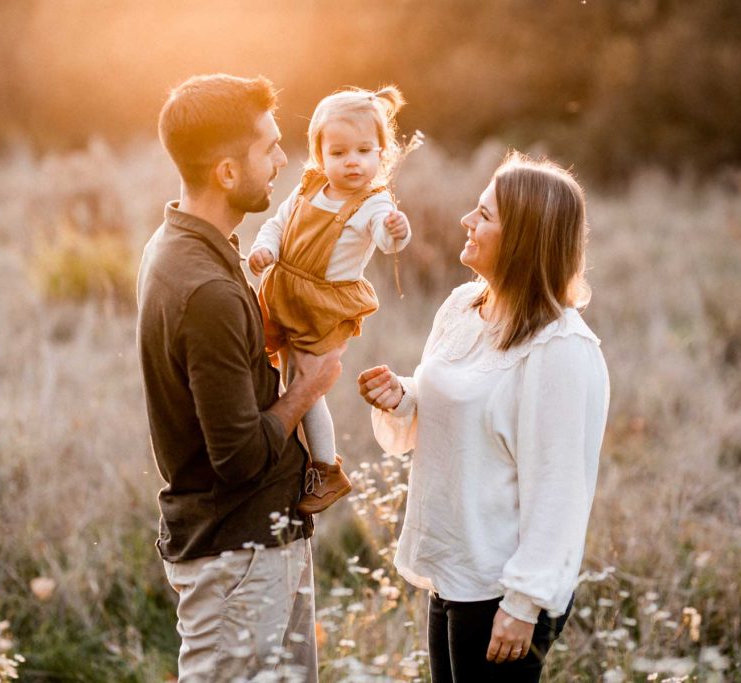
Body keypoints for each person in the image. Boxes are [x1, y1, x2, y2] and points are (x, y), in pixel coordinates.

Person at [357, 152, 609, 682]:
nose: (465, 221)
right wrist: (403, 397)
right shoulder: (462, 307)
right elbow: (460, 411)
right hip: (453, 569)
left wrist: (524, 603)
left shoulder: (561, 348)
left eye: (485, 215)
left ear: (523, 239)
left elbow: (561, 489)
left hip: (501, 589)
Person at [137, 73, 344, 683]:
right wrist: (309, 386)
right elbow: (238, 456)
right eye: (269, 148)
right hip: (239, 559)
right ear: (227, 173)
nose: (283, 160)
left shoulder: (180, 244)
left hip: (260, 544)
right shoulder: (206, 289)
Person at [247, 86, 413, 516]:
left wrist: (397, 230)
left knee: (305, 385)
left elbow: (385, 237)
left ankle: (326, 468)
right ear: (319, 154)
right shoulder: (310, 185)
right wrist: (265, 249)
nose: (352, 161)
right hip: (284, 290)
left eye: (364, 150)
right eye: (338, 152)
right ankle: (287, 454)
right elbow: (277, 224)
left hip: (322, 306)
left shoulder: (374, 203)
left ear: (381, 153)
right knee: (277, 375)